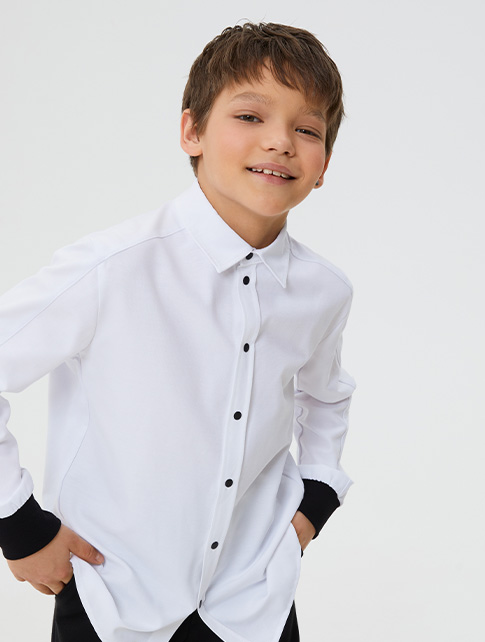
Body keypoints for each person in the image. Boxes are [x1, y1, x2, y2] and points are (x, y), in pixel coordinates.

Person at [0, 22, 356, 642]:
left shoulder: (323, 291)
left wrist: (317, 497)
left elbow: (325, 397)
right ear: (191, 130)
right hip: (115, 600)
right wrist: (20, 526)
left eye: (307, 129)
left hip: (254, 602)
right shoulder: (111, 267)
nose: (280, 142)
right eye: (250, 116)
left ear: (323, 164)